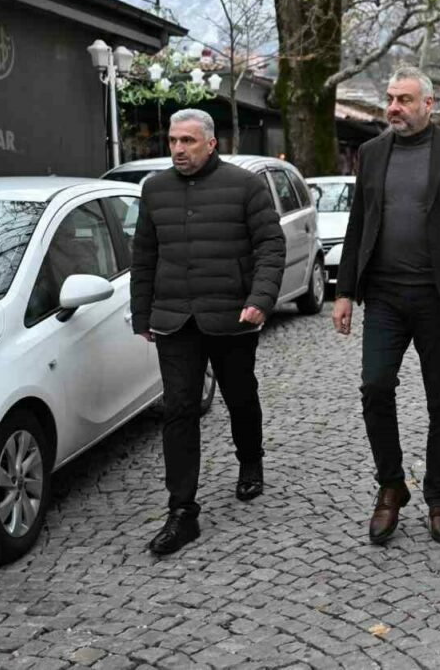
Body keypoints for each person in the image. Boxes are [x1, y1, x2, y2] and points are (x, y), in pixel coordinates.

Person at [332, 66, 440, 546]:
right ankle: (391, 485)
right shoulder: (372, 152)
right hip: (383, 295)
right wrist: (344, 291)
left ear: (429, 103)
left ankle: (439, 495)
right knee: (375, 386)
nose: (393, 107)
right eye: (390, 98)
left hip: (437, 296)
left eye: (404, 99)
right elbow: (358, 223)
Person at [131, 108, 285, 556]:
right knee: (179, 409)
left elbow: (271, 245)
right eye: (173, 141)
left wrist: (260, 298)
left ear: (211, 143)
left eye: (188, 141)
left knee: (240, 395)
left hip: (231, 316)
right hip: (175, 318)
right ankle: (182, 510)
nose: (178, 149)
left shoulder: (245, 185)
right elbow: (144, 254)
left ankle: (250, 460)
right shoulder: (155, 189)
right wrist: (142, 314)